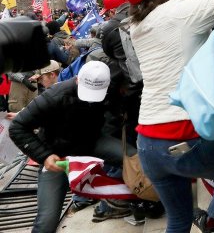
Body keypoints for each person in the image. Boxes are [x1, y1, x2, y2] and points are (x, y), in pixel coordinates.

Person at [122, 0, 214, 233]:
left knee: (179, 221)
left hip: (148, 143)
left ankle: (213, 219)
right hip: (182, 134)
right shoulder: (179, 12)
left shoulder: (137, 27)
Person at [9, 61, 135, 233]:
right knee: (47, 220)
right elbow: (17, 127)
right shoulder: (54, 96)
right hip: (58, 154)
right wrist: (45, 156)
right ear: (77, 79)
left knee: (135, 159)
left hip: (92, 141)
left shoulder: (111, 89)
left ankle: (150, 200)